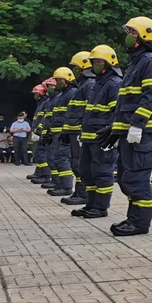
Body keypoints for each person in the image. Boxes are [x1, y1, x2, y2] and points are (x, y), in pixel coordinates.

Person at [107, 17, 152, 236]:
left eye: (132, 33)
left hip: (141, 132)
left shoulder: (150, 60)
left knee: (138, 177)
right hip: (130, 131)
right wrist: (116, 129)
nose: (128, 36)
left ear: (144, 36)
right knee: (126, 177)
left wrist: (138, 125)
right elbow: (125, 102)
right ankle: (133, 218)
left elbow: (151, 96)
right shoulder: (136, 62)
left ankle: (140, 223)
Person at [74, 45, 122, 219]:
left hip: (103, 138)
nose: (96, 64)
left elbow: (115, 112)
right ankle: (91, 204)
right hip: (88, 138)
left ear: (109, 63)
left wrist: (111, 134)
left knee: (102, 172)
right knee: (86, 171)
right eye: (93, 62)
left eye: (99, 61)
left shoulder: (114, 84)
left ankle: (101, 207)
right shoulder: (96, 84)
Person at [61, 52, 96, 206]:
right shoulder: (84, 83)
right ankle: (80, 192)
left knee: (80, 163)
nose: (74, 70)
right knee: (76, 162)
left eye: (75, 66)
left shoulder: (89, 84)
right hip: (75, 130)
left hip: (81, 131)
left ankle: (83, 194)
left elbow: (89, 110)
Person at [46, 67, 79, 196]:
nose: (56, 83)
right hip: (57, 133)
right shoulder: (62, 95)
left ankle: (66, 186)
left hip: (63, 132)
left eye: (59, 80)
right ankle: (61, 184)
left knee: (62, 159)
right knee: (57, 158)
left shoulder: (71, 93)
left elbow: (70, 114)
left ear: (67, 80)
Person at [29, 85, 52, 184]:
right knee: (38, 154)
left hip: (41, 132)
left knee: (41, 154)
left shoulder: (45, 103)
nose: (35, 96)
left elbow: (44, 119)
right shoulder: (41, 103)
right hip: (38, 131)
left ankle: (45, 175)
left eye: (36, 94)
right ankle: (39, 173)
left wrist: (39, 131)